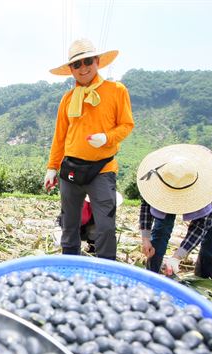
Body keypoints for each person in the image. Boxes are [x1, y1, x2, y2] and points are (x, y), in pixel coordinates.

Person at [44, 38, 134, 260]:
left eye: (87, 61)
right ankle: (70, 266)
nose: (83, 68)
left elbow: (126, 125)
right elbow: (60, 136)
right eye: (77, 64)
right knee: (69, 225)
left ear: (97, 61)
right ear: (71, 69)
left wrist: (107, 137)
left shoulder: (116, 90)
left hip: (102, 169)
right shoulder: (67, 99)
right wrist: (52, 167)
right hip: (71, 169)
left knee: (105, 227)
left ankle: (106, 272)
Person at [137, 144, 212, 279]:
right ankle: (151, 275)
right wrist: (145, 238)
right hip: (166, 186)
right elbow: (146, 206)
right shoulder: (158, 175)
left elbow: (202, 225)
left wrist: (178, 257)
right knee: (161, 230)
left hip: (202, 192)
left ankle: (203, 280)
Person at [55, 192, 124, 253]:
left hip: (84, 230)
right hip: (63, 229)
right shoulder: (81, 208)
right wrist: (79, 243)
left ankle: (91, 249)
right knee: (62, 245)